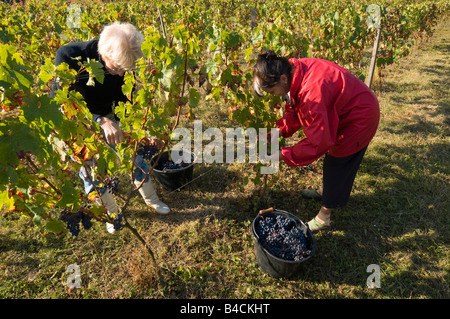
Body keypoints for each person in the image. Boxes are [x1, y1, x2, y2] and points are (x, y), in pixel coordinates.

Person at [51, 22, 170, 233]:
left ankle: (151, 197)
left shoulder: (123, 66)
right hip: (73, 122)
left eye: (127, 69)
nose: (120, 74)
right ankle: (110, 213)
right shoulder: (69, 56)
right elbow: (68, 105)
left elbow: (124, 99)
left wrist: (133, 128)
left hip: (107, 114)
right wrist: (101, 121)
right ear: (104, 53)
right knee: (90, 167)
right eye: (117, 68)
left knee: (133, 152)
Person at [253, 50, 380, 232]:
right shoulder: (294, 72)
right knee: (333, 160)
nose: (273, 96)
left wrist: (282, 154)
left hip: (359, 118)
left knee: (337, 164)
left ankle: (324, 217)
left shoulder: (311, 92)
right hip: (346, 110)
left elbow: (319, 143)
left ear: (282, 79)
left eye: (271, 91)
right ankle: (325, 191)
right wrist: (277, 132)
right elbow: (295, 109)